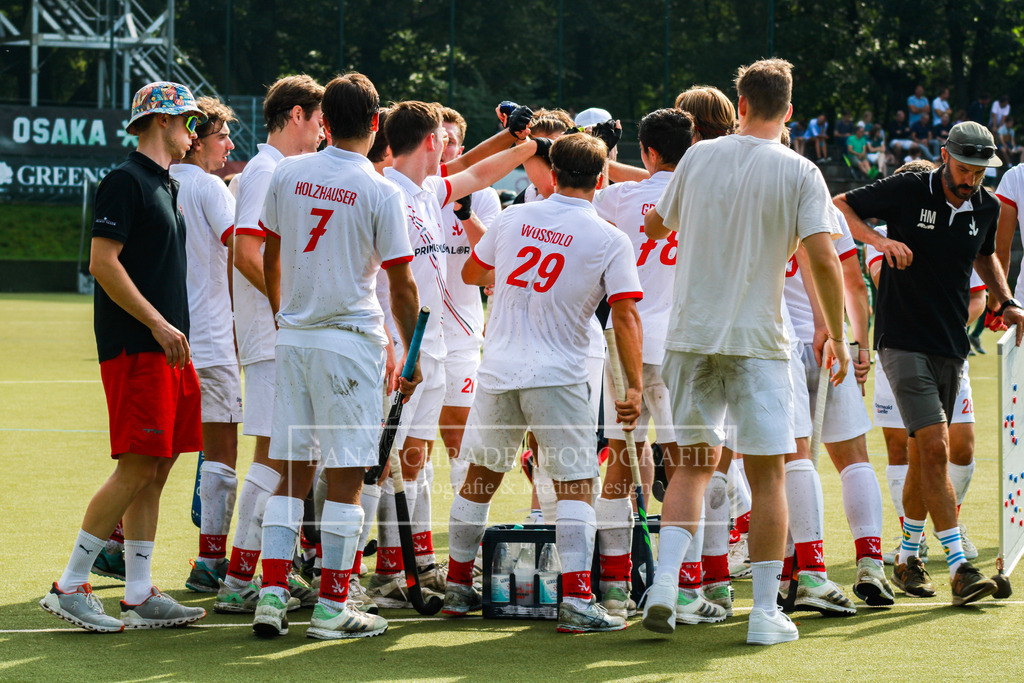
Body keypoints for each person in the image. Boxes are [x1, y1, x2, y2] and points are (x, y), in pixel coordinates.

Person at [641, 58, 849, 645]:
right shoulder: (802, 171)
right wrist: (839, 332)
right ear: (788, 111)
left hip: (691, 338)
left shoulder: (699, 156)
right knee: (767, 478)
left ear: (740, 102)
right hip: (758, 344)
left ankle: (663, 589)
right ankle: (763, 613)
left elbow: (656, 226)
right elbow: (823, 258)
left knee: (691, 467)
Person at [442, 132, 643, 633]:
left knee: (480, 479)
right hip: (564, 372)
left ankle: (457, 586)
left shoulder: (512, 218)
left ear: (551, 175)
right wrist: (634, 388)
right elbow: (625, 316)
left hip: (501, 367)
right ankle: (576, 599)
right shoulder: (609, 236)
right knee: (576, 484)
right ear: (601, 180)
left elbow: (472, 273)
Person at [250, 72, 421, 640]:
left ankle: (271, 597)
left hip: (294, 339)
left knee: (292, 472)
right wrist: (410, 348)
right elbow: (401, 284)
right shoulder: (381, 188)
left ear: (324, 121)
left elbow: (271, 254)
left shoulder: (289, 173)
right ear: (376, 125)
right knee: (348, 475)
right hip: (350, 341)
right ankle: (330, 606)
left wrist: (284, 314)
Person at [39, 81, 208, 632]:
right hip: (139, 346)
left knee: (156, 469)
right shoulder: (125, 180)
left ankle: (138, 595)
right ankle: (69, 585)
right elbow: (103, 264)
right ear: (161, 121)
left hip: (166, 348)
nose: (193, 131)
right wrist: (159, 324)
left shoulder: (165, 184)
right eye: (187, 121)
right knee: (137, 466)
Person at [367, 100, 548, 608]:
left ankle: (416, 563)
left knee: (414, 457)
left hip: (436, 343)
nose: (448, 147)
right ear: (430, 143)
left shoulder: (430, 188)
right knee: (382, 463)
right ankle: (371, 573)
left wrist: (527, 145)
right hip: (400, 347)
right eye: (441, 140)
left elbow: (481, 169)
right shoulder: (385, 189)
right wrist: (388, 338)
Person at [834, 121, 1023, 606]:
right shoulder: (909, 187)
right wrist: (877, 243)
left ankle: (908, 556)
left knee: (924, 455)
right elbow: (839, 208)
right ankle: (960, 566)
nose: (971, 178)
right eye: (963, 168)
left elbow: (986, 257)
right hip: (901, 342)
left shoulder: (984, 203)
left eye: (979, 170)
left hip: (950, 345)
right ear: (944, 155)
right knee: (935, 446)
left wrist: (1006, 301)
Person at [590, 107, 707, 622]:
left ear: (647, 151)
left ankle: (616, 587)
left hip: (628, 339)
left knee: (620, 454)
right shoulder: (706, 193)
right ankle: (684, 585)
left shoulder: (616, 196)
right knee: (688, 465)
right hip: (685, 342)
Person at [216, 75, 326, 614]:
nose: (324, 133)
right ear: (298, 115)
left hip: (282, 335)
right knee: (273, 457)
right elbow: (245, 251)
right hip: (274, 336)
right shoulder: (265, 170)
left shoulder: (282, 170)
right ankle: (239, 579)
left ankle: (262, 572)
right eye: (320, 121)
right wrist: (290, 308)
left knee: (288, 456)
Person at [168, 97, 245, 593]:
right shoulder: (211, 189)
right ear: (196, 137)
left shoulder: (159, 181)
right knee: (223, 447)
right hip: (212, 340)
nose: (229, 145)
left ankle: (113, 540)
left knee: (160, 448)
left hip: (166, 336)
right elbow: (242, 257)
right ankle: (211, 562)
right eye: (221, 136)